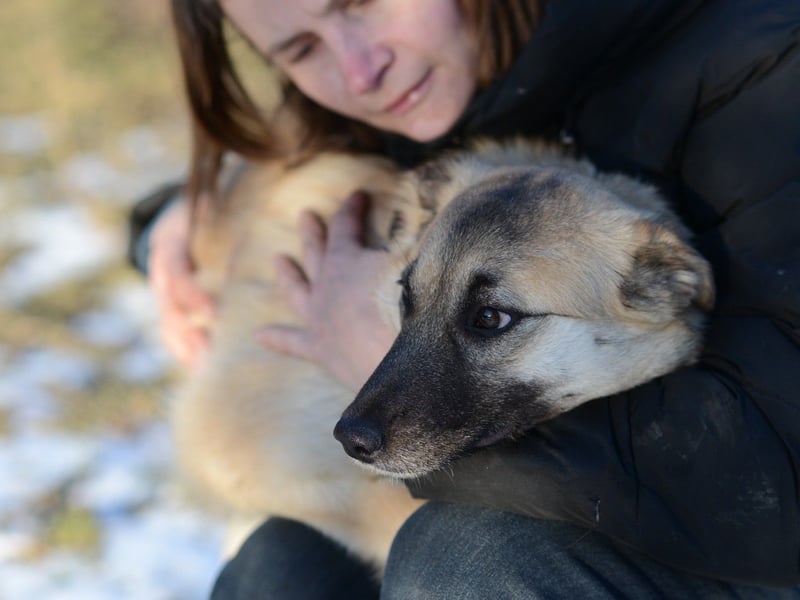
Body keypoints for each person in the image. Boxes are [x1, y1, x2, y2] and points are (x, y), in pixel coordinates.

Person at [129, 0, 800, 597]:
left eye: (361, 4)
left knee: (462, 559)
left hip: (753, 524)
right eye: (302, 50)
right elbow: (289, 143)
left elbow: (774, 472)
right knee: (276, 564)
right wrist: (176, 221)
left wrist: (369, 346)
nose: (360, 72)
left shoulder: (763, 72)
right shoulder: (426, 84)